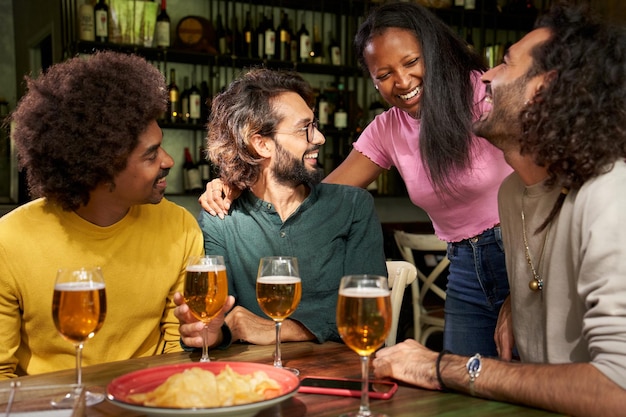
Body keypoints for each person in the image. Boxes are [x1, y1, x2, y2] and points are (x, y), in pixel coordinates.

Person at [198, 2, 511, 356]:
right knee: (465, 388)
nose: (403, 82)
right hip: (464, 266)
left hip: (521, 251)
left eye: (411, 62)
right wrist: (243, 178)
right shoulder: (388, 129)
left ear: (433, 52)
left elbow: (544, 179)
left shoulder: (483, 94)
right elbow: (321, 195)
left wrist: (523, 291)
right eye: (384, 75)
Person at [372, 3, 626, 416]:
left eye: (506, 64)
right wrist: (519, 297)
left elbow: (619, 390)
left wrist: (445, 367)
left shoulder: (610, 196)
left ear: (543, 89)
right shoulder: (514, 194)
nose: (486, 75)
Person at [0, 51, 233, 379]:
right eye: (151, 155)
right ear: (98, 170)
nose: (168, 160)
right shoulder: (9, 240)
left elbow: (174, 355)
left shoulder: (179, 227)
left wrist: (202, 337)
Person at [174, 68, 387, 348]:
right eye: (305, 128)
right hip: (254, 380)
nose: (320, 138)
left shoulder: (353, 206)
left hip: (341, 372)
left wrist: (277, 330)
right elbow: (223, 320)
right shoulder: (221, 217)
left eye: (315, 125)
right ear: (261, 144)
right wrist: (212, 333)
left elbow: (367, 312)